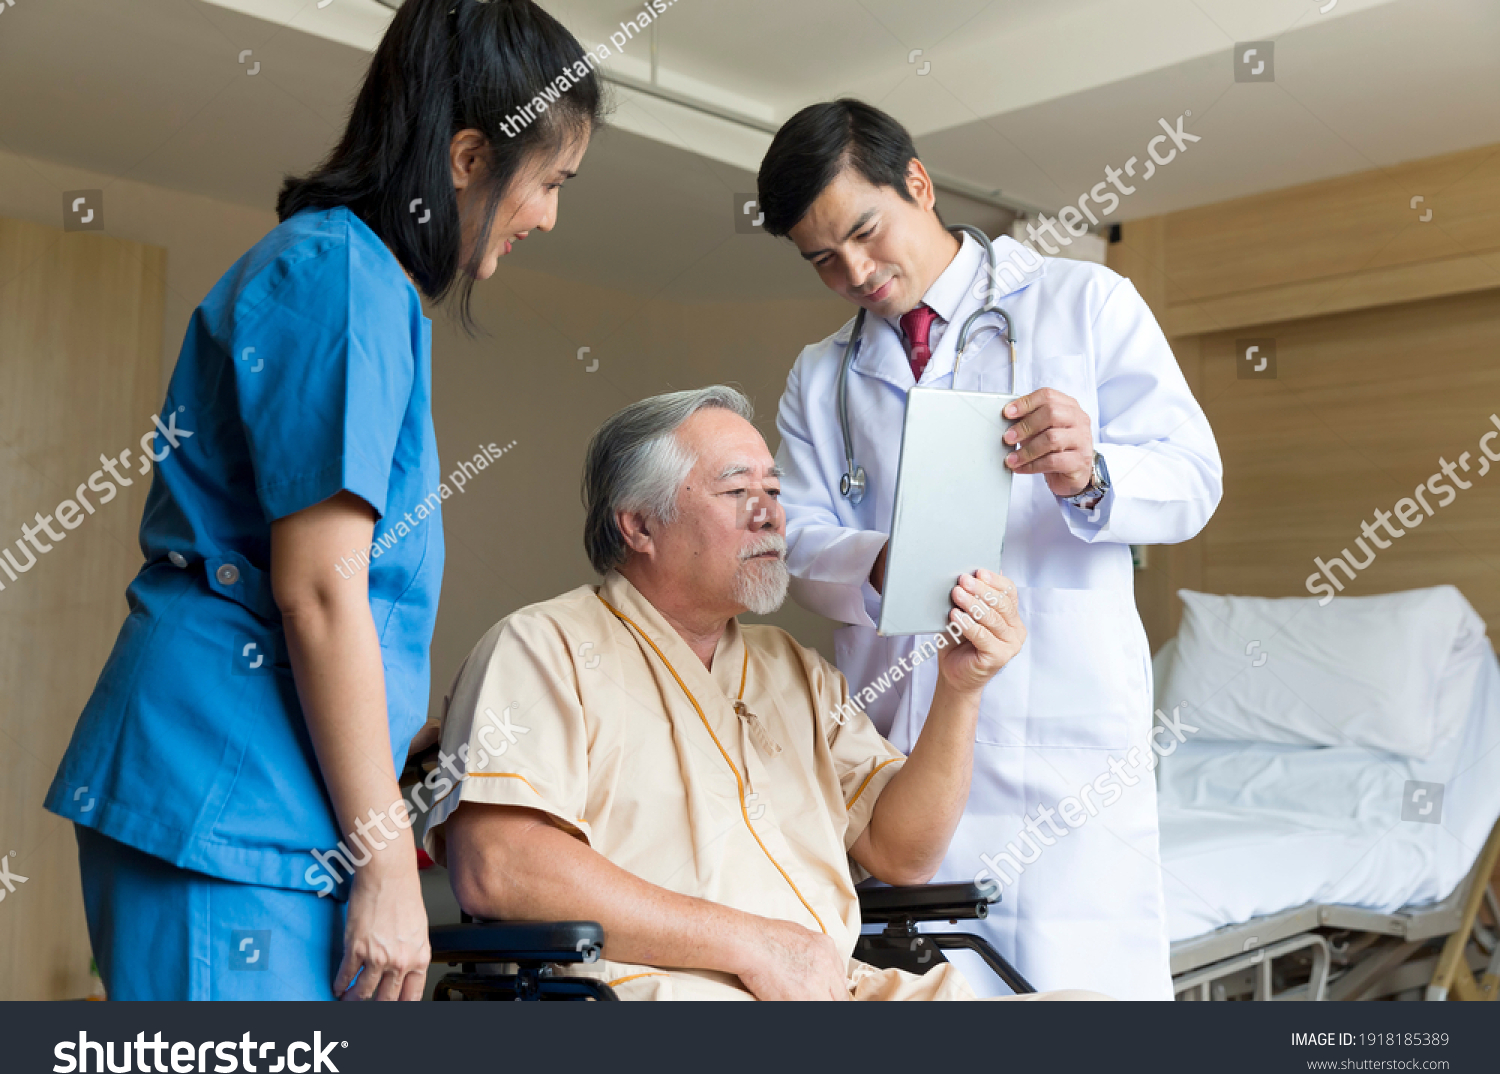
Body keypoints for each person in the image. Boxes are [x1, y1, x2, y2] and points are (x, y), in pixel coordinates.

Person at [42, 0, 602, 1001]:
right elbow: (321, 592)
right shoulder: (342, 278)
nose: (550, 217)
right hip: (228, 802)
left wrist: (402, 750)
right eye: (551, 182)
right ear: (468, 157)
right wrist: (389, 862)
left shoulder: (361, 285)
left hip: (264, 809)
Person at [756, 100, 1223, 998]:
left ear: (918, 184)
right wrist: (880, 563)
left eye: (864, 232)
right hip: (907, 760)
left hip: (1064, 749)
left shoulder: (1083, 303)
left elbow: (1194, 478)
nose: (854, 270)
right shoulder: (821, 378)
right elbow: (796, 543)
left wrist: (1093, 471)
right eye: (822, 259)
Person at [423, 387, 1103, 1001]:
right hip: (663, 992)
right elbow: (500, 865)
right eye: (736, 490)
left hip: (835, 989)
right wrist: (750, 942)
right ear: (638, 526)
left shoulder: (792, 669)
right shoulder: (544, 647)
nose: (770, 514)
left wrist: (962, 688)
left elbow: (903, 852)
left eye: (775, 491)